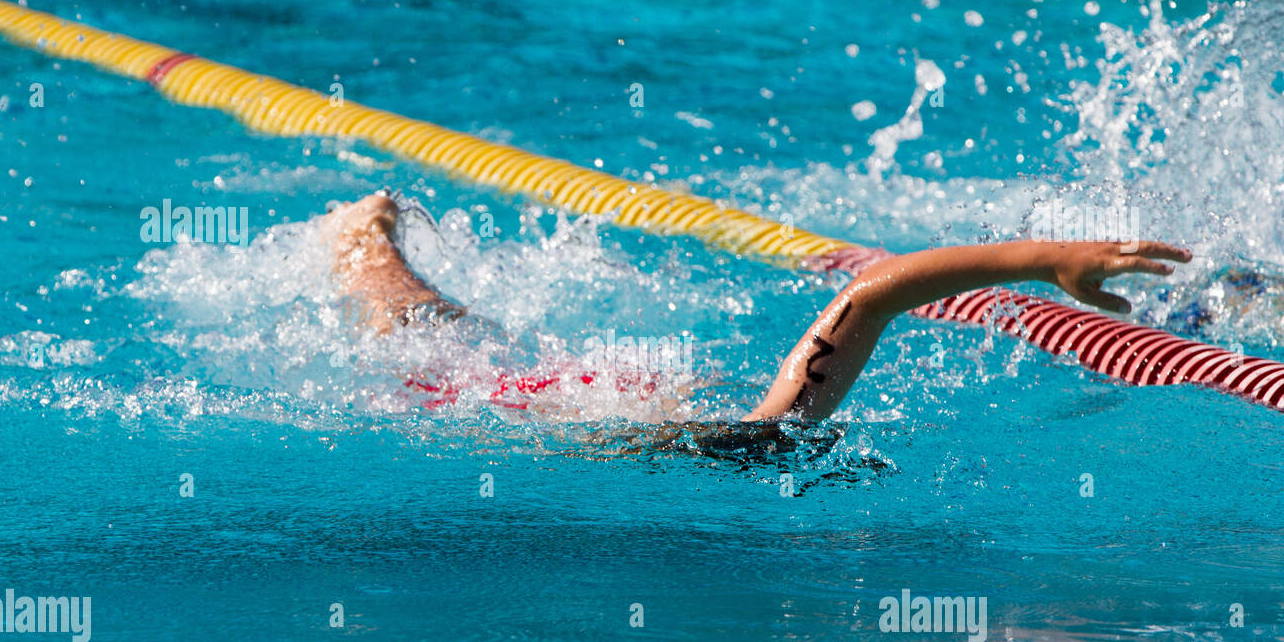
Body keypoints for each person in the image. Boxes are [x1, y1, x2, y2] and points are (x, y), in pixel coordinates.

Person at [322, 191, 1191, 420]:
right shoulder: (756, 438)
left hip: (512, 399)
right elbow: (870, 295)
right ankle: (360, 244)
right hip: (491, 400)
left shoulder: (749, 439)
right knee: (421, 334)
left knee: (427, 335)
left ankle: (365, 246)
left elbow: (870, 302)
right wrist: (1045, 259)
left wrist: (1047, 262)